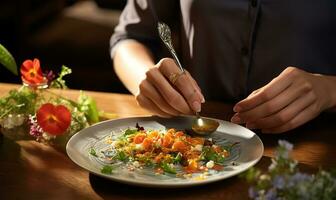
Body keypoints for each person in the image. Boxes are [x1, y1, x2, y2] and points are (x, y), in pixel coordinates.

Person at [110, 0, 336, 133]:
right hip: (193, 140)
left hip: (313, 143)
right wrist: (144, 78)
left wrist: (329, 89)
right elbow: (129, 38)